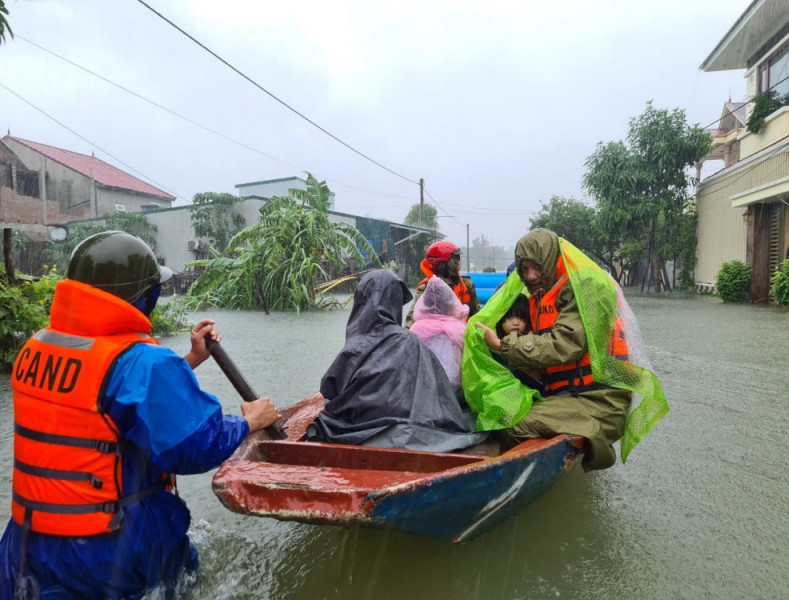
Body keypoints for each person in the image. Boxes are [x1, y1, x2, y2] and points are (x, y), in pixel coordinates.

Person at [0, 231, 280, 600]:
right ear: (143, 297)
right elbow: (195, 444)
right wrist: (248, 421)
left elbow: (102, 401)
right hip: (107, 548)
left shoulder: (38, 345)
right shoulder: (144, 362)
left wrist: (191, 360)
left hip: (26, 542)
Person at [474, 228, 635, 471]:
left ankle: (589, 437)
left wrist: (503, 345)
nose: (531, 276)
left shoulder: (585, 287)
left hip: (601, 399)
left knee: (512, 425)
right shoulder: (539, 296)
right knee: (493, 410)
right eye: (524, 270)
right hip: (567, 395)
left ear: (550, 260)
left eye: (536, 267)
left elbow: (566, 343)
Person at [306, 269, 486, 452]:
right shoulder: (410, 341)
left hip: (353, 428)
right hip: (405, 431)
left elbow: (329, 387)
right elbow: (439, 395)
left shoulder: (355, 345)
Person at [409, 275, 469, 387]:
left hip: (423, 388)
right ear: (451, 303)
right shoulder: (459, 329)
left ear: (424, 304)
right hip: (454, 388)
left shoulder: (415, 330)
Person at [404, 241, 479, 328]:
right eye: (456, 258)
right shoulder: (426, 288)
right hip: (436, 337)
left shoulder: (467, 284)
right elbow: (412, 320)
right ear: (443, 263)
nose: (459, 262)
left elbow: (477, 314)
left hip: (463, 336)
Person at [495, 293, 543, 392]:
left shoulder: (531, 337)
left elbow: (511, 352)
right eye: (510, 318)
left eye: (521, 318)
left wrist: (496, 343)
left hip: (531, 386)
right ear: (500, 319)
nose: (516, 323)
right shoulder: (499, 337)